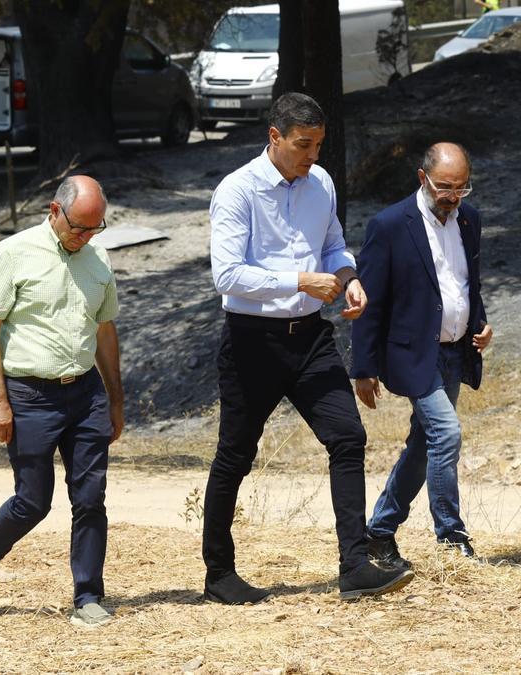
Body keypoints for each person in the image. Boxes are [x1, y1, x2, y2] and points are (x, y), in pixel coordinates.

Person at [205, 92, 414, 604]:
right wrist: (301, 281)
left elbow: (334, 246)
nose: (312, 155)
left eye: (319, 144)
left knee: (347, 438)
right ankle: (218, 575)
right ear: (274, 137)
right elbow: (227, 275)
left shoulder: (320, 182)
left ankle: (355, 568)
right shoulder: (237, 191)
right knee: (236, 456)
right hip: (252, 341)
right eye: (303, 144)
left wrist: (348, 277)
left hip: (311, 337)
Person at [0, 175, 124, 628]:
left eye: (95, 229)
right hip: (30, 395)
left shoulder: (98, 257)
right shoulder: (13, 253)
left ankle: (88, 597)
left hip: (86, 393)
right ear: (54, 211)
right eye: (79, 228)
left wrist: (115, 398)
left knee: (91, 498)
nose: (86, 238)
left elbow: (105, 330)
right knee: (33, 501)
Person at [350, 142, 493, 568]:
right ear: (422, 178)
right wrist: (363, 367)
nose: (452, 196)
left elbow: (468, 284)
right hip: (412, 355)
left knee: (424, 444)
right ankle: (452, 537)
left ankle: (379, 531)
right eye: (445, 187)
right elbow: (367, 300)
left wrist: (480, 324)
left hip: (454, 350)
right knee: (446, 434)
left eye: (462, 188)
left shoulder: (470, 219)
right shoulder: (391, 224)